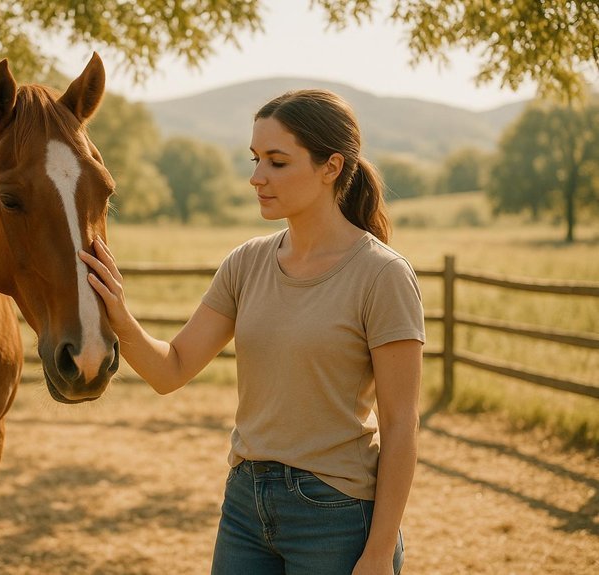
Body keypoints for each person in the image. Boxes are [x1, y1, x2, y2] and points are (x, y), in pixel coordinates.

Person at [79, 89, 425, 575]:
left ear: (331, 167)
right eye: (256, 158)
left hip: (336, 513)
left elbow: (400, 425)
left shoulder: (382, 275)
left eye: (277, 162)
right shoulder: (246, 263)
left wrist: (377, 552)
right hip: (244, 503)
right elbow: (171, 369)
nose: (256, 177)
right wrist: (119, 314)